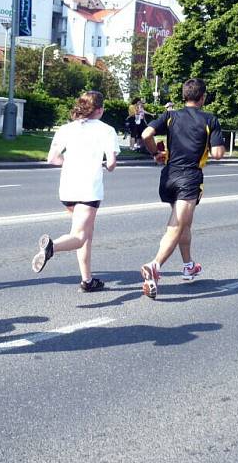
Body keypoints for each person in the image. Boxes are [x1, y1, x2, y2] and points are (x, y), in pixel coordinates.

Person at [138, 78, 225, 299]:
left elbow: (146, 135)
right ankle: (154, 266)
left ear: (183, 96)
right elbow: (217, 154)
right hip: (190, 177)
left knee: (185, 222)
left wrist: (155, 153)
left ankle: (188, 266)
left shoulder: (170, 116)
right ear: (203, 97)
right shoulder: (209, 119)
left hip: (168, 176)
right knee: (176, 225)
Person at [31, 91, 119, 292]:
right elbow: (112, 164)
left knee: (85, 233)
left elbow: (52, 158)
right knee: (79, 236)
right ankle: (51, 247)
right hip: (89, 189)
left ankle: (87, 280)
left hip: (68, 187)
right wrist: (103, 165)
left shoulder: (65, 129)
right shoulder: (107, 130)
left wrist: (71, 164)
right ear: (99, 110)